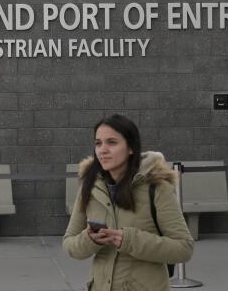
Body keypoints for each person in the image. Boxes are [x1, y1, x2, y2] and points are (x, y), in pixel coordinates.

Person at [63, 114, 193, 291]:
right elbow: (69, 244)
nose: (102, 150)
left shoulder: (156, 187)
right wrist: (90, 239)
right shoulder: (89, 185)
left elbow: (183, 248)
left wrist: (130, 240)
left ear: (131, 147)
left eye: (112, 142)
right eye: (98, 143)